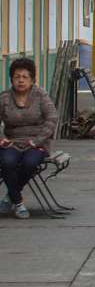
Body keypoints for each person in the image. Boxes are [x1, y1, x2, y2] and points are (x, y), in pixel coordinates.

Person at [0, 58, 58, 219]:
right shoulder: (4, 97)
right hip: (12, 141)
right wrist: (2, 138)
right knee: (7, 162)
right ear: (11, 78)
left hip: (36, 142)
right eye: (17, 77)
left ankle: (11, 197)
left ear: (32, 79)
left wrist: (38, 139)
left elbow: (52, 117)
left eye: (25, 77)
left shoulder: (40, 95)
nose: (20, 80)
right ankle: (18, 202)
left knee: (30, 162)